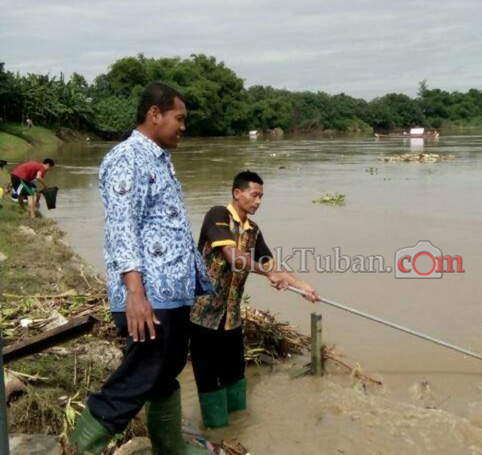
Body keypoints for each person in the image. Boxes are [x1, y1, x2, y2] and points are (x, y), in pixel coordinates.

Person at [70, 82, 214, 455]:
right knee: (139, 376)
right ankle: (79, 447)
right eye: (179, 118)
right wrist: (135, 294)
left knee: (166, 373)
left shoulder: (158, 159)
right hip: (148, 294)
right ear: (155, 114)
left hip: (171, 293)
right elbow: (122, 227)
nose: (184, 126)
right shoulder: (127, 157)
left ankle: (170, 448)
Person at [190, 170, 318, 428]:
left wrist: (301, 286)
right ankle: (218, 436)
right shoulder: (218, 216)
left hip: (232, 319)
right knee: (209, 379)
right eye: (255, 195)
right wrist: (268, 272)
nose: (259, 201)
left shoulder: (253, 231)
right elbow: (233, 257)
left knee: (236, 374)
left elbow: (270, 263)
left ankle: (239, 432)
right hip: (203, 317)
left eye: (262, 197)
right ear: (237, 193)